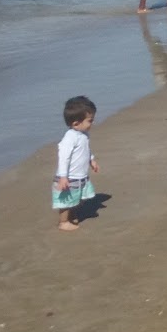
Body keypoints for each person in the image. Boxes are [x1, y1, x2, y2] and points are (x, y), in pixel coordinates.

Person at [51, 95, 99, 231]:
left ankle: (71, 215)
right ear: (76, 123)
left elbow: (86, 150)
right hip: (69, 177)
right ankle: (63, 222)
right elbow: (63, 156)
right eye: (90, 121)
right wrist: (63, 177)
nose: (92, 123)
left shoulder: (83, 135)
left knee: (78, 198)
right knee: (66, 201)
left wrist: (92, 160)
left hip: (81, 175)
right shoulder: (70, 137)